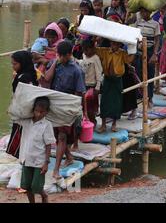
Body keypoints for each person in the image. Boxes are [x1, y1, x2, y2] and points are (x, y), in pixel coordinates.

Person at [43, 41, 85, 178]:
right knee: (56, 136)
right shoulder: (56, 64)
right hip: (54, 104)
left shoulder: (77, 70)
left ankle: (56, 170)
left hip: (67, 106)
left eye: (62, 56)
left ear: (69, 54)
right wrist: (55, 62)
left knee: (62, 136)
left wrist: (79, 112)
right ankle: (69, 157)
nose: (60, 58)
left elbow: (79, 93)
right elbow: (47, 79)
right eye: (58, 55)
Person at [18, 96, 55, 203]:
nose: (38, 114)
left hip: (39, 161)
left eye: (41, 112)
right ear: (33, 109)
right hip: (26, 158)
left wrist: (46, 163)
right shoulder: (26, 122)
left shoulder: (47, 125)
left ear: (46, 112)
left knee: (37, 187)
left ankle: (44, 196)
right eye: (36, 111)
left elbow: (48, 144)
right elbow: (15, 115)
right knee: (27, 186)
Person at [6, 51, 39, 159]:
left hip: (23, 110)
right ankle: (21, 154)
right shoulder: (27, 74)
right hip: (24, 109)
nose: (13, 66)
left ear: (23, 63)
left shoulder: (24, 77)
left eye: (15, 64)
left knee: (20, 134)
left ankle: (19, 155)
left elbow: (24, 96)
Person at [96, 41, 135, 131]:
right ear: (110, 44)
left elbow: (129, 59)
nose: (115, 46)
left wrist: (133, 48)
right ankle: (103, 124)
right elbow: (95, 50)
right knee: (104, 101)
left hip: (117, 79)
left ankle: (114, 124)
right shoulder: (105, 51)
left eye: (117, 44)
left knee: (117, 101)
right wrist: (94, 39)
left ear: (119, 45)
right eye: (113, 44)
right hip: (107, 79)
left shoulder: (122, 53)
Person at [134, 7, 160, 108]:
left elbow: (157, 40)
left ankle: (150, 98)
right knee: (138, 74)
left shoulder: (155, 24)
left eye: (145, 11)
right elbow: (135, 36)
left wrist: (154, 54)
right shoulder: (138, 22)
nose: (143, 13)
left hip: (149, 51)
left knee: (150, 75)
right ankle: (140, 97)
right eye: (141, 12)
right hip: (139, 51)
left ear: (150, 12)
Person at [77, 39, 102, 126]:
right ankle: (86, 122)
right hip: (84, 84)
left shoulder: (96, 58)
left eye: (87, 49)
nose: (85, 52)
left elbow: (99, 73)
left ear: (92, 49)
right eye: (84, 50)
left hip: (92, 86)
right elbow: (83, 65)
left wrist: (98, 87)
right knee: (84, 106)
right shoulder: (83, 55)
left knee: (91, 107)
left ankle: (93, 122)